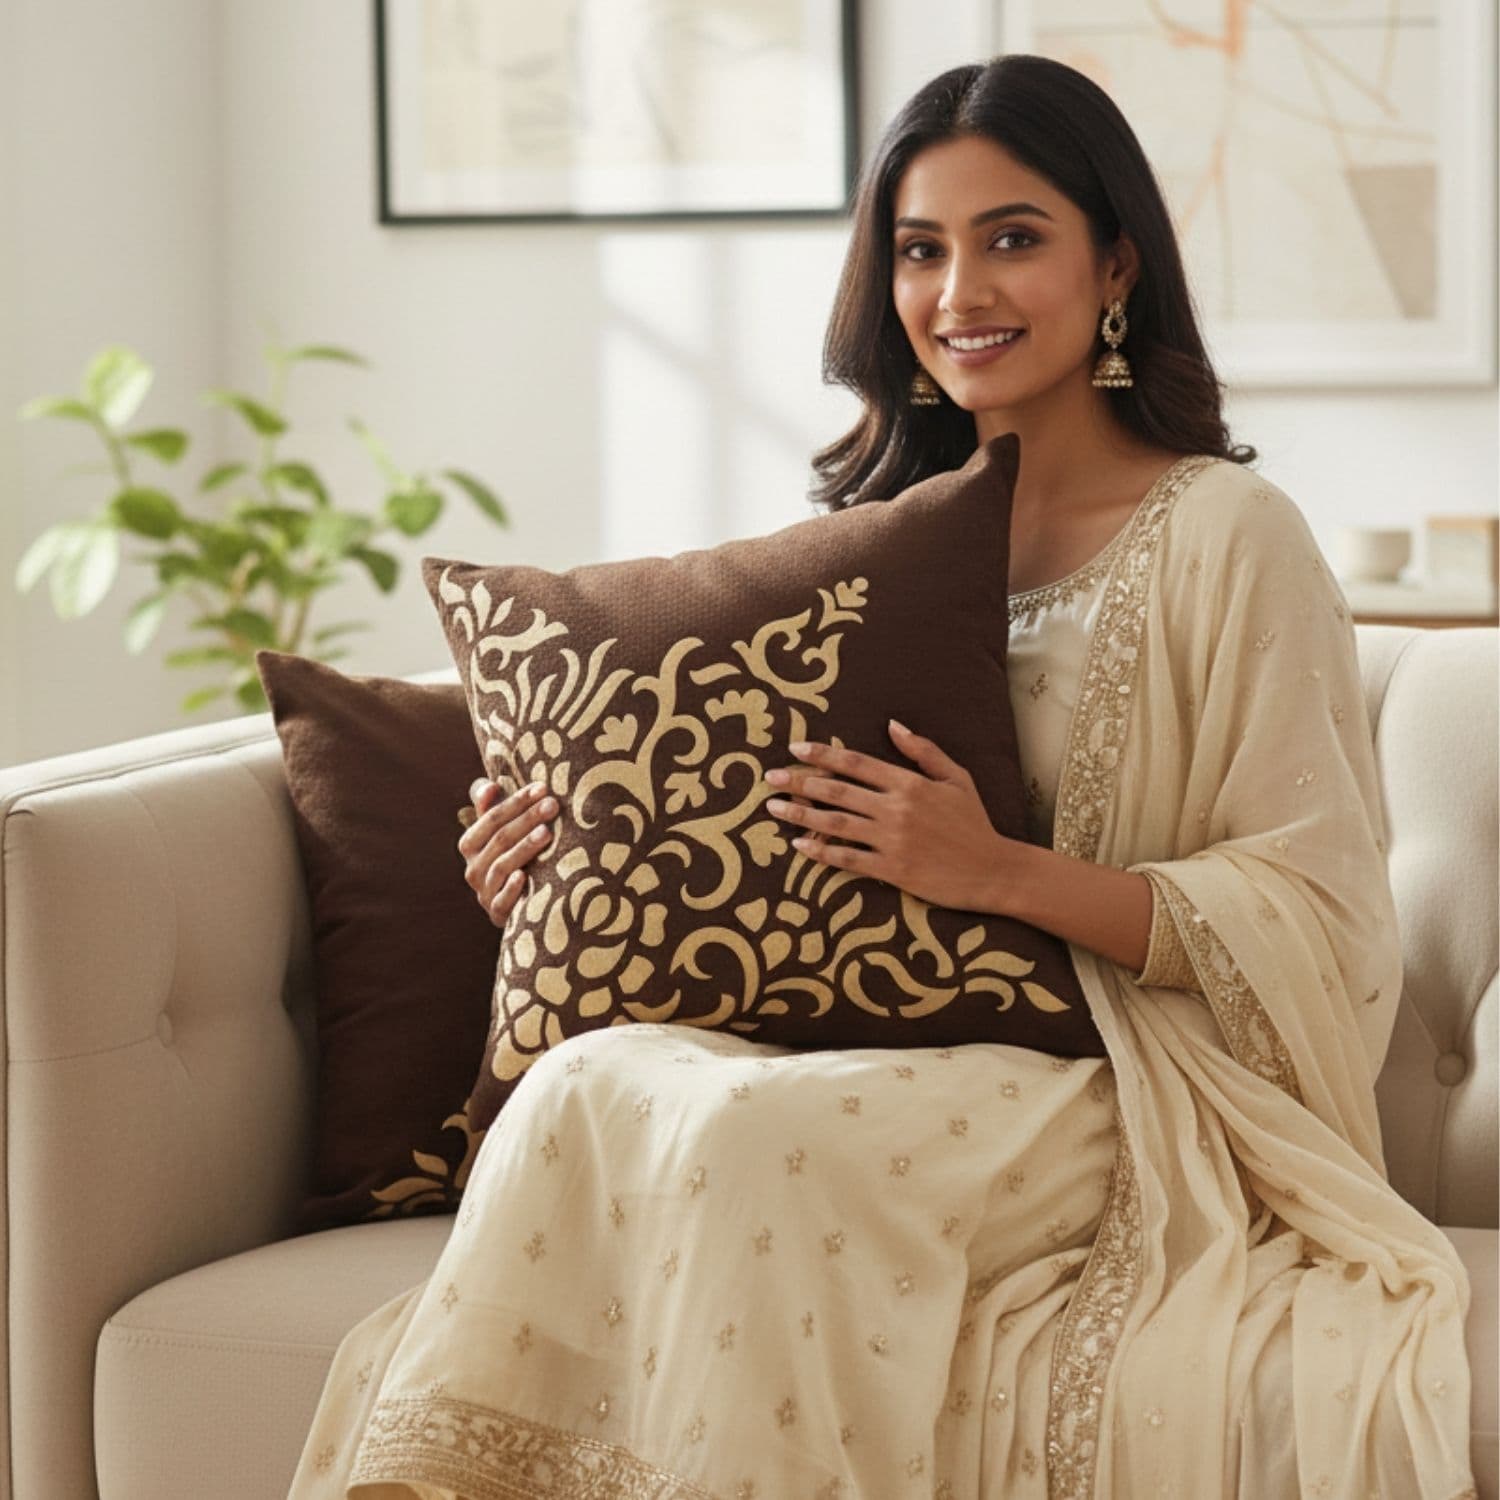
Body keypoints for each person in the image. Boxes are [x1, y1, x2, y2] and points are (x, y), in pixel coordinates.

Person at [288, 55, 1476, 1498]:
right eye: (921, 250)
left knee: (753, 1142)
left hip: (1116, 1086)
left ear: (1116, 266)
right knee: (586, 1082)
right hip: (836, 1047)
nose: (959, 290)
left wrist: (997, 873)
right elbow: (743, 851)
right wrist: (556, 875)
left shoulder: (1232, 535)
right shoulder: (866, 546)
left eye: (1012, 238)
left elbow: (1325, 922)